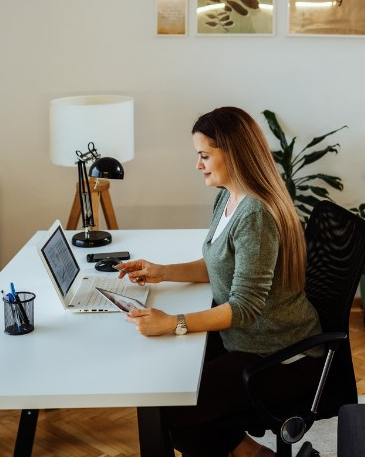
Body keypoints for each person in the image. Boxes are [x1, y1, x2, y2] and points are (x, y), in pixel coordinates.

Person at [115, 106, 323, 457]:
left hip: (280, 355)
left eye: (205, 155)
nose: (198, 165)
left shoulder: (255, 213)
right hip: (247, 339)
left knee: (170, 410)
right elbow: (217, 265)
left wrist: (173, 323)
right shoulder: (228, 197)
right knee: (164, 390)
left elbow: (244, 308)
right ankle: (254, 454)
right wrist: (161, 270)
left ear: (234, 153)